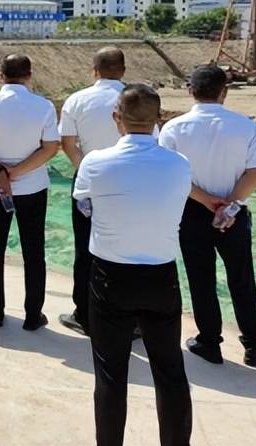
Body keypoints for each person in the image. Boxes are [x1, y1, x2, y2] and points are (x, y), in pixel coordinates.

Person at [73, 84, 192, 446]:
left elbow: (84, 203)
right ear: (159, 120)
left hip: (110, 276)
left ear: (116, 118)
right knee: (170, 371)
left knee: (110, 374)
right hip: (161, 275)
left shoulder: (95, 161)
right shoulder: (179, 164)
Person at [160, 65, 256, 367]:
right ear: (224, 91)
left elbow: (171, 173)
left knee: (201, 277)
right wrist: (229, 204)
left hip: (193, 211)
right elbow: (255, 171)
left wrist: (207, 201)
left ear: (189, 90)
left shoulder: (173, 128)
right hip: (233, 214)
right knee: (242, 278)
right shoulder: (245, 126)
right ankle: (254, 345)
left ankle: (209, 341)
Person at [0, 54, 60, 329]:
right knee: (34, 251)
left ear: (2, 73)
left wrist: (0, 174)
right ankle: (33, 315)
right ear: (29, 75)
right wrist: (16, 173)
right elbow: (50, 147)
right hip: (32, 187)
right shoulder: (43, 106)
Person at [58, 47, 127, 336]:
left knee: (85, 247)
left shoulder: (77, 100)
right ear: (123, 70)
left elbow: (67, 143)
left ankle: (85, 314)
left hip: (87, 183)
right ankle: (126, 317)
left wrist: (85, 168)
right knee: (126, 248)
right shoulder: (135, 96)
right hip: (128, 183)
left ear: (94, 70)